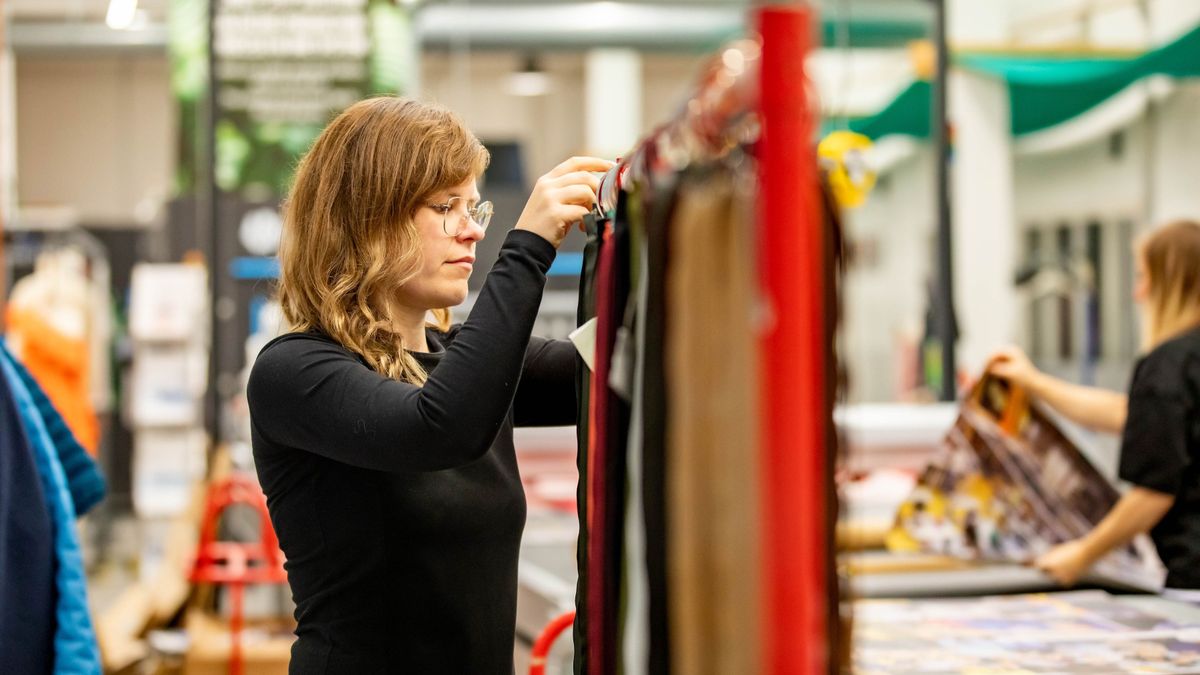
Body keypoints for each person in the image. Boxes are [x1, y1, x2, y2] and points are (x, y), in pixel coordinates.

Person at [246, 96, 611, 673]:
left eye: (474, 207)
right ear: (367, 218)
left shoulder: (462, 364)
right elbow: (438, 427)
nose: (471, 231)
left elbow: (610, 368)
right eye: (447, 207)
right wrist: (527, 249)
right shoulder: (294, 373)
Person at [988, 220, 1200, 597]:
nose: (1138, 293)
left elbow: (1154, 492)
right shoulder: (1186, 363)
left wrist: (1084, 554)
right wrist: (1034, 382)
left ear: (1174, 282)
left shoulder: (1169, 365)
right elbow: (1132, 416)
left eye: (1143, 276)